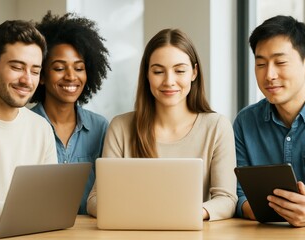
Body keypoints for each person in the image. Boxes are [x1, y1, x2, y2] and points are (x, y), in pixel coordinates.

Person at [87, 28, 238, 221]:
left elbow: (226, 199)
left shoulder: (217, 127)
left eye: (179, 71)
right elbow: (95, 200)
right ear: (147, 75)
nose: (169, 81)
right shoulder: (121, 127)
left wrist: (185, 214)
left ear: (194, 72)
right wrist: (145, 215)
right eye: (158, 71)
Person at [234, 15, 305, 227]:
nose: (269, 75)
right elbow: (237, 195)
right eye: (260, 64)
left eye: (280, 62)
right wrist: (262, 210)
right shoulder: (245, 122)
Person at [0, 20, 57, 223]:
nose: (27, 80)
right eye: (17, 67)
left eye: (35, 71)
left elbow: (49, 202)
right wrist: (13, 212)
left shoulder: (41, 128)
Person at [30, 11, 110, 215]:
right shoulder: (25, 126)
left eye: (79, 68)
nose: (71, 76)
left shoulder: (101, 127)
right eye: (59, 68)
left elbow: (110, 190)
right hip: (39, 230)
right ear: (42, 75)